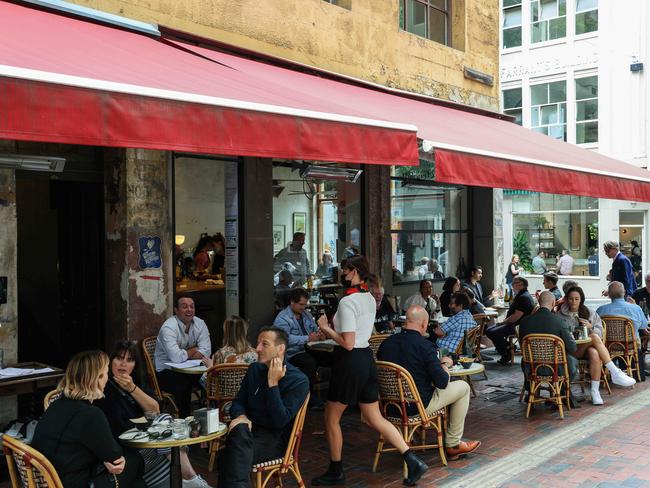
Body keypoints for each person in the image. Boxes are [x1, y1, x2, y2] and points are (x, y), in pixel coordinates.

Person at [312, 255, 428, 486]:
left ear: (354, 271)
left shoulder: (348, 301)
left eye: (345, 271)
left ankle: (336, 470)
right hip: (366, 358)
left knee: (331, 417)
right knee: (375, 417)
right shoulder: (368, 298)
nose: (342, 275)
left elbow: (347, 342)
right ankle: (412, 459)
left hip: (350, 360)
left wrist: (325, 328)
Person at [96, 342, 211, 488]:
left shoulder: (136, 383)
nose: (123, 364)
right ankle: (191, 479)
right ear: (111, 361)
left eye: (130, 360)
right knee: (169, 445)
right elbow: (119, 427)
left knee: (166, 432)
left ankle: (189, 479)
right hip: (130, 448)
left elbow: (154, 409)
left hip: (147, 442)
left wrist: (132, 389)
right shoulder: (105, 389)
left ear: (135, 365)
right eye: (119, 358)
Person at [377, 305, 481, 460]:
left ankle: (408, 437)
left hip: (390, 407)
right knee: (463, 387)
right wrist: (445, 364)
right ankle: (453, 444)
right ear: (424, 323)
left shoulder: (386, 344)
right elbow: (442, 382)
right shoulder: (425, 346)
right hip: (417, 406)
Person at [31, 351, 146, 488]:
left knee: (135, 483)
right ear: (97, 378)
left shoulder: (57, 404)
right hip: (72, 483)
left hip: (50, 480)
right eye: (105, 373)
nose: (107, 378)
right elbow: (115, 457)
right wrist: (110, 458)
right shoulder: (90, 414)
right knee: (136, 461)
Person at [217, 327, 309, 487]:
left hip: (275, 441)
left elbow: (279, 421)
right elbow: (238, 402)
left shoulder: (298, 380)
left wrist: (272, 383)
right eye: (258, 343)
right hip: (248, 433)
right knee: (238, 433)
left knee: (228, 454)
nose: (257, 348)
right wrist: (241, 417)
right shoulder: (254, 369)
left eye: (264, 344)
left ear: (281, 349)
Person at [556, 287, 636, 405]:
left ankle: (595, 392)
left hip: (585, 348)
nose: (573, 302)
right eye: (571, 299)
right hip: (570, 349)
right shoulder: (559, 316)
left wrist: (590, 327)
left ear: (581, 300)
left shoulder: (589, 312)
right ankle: (615, 372)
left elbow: (600, 331)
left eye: (576, 299)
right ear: (566, 300)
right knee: (594, 338)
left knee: (594, 352)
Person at [154, 295, 211, 417]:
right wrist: (194, 350)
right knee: (183, 384)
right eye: (184, 307)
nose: (189, 310)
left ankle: (209, 413)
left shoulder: (200, 324)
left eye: (192, 306)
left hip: (190, 369)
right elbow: (176, 358)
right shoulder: (168, 327)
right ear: (176, 310)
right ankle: (185, 419)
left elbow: (206, 351)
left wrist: (184, 354)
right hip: (166, 371)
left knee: (211, 376)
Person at [518, 292, 579, 406]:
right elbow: (572, 348)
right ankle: (561, 391)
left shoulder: (525, 321)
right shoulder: (560, 322)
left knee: (524, 359)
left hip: (531, 368)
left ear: (539, 303)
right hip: (556, 369)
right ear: (553, 303)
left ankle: (533, 392)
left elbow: (522, 346)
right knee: (572, 360)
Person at [273, 288, 329, 409]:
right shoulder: (282, 318)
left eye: (305, 304)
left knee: (332, 357)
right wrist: (307, 338)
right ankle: (308, 398)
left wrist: (320, 334)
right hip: (292, 353)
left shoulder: (306, 314)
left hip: (310, 349)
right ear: (292, 302)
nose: (303, 307)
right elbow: (285, 339)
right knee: (310, 363)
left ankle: (334, 395)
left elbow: (314, 328)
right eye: (301, 304)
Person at [485, 276, 536, 365]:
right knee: (489, 330)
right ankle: (508, 347)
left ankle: (506, 353)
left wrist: (502, 322)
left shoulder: (523, 297)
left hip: (517, 327)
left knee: (493, 332)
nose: (512, 285)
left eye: (514, 283)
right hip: (514, 324)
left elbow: (516, 316)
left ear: (521, 285)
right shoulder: (522, 295)